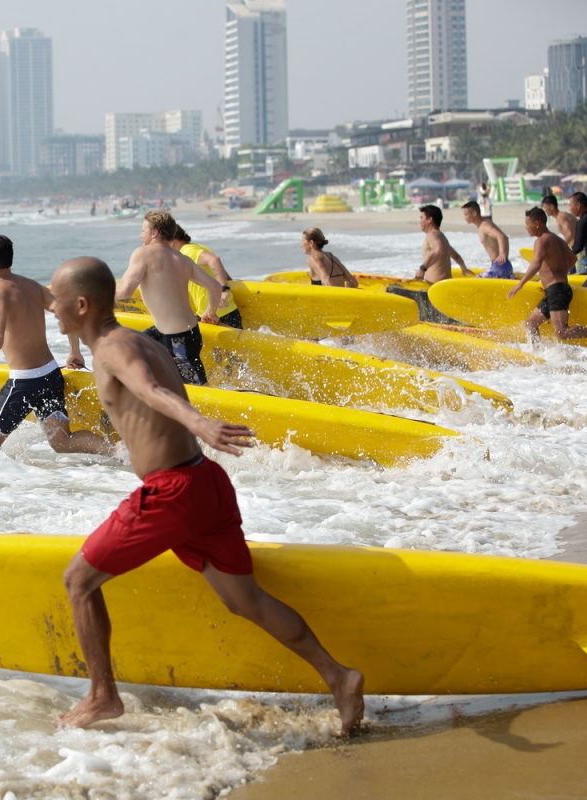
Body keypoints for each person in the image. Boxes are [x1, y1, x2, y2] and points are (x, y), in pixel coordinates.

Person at [48, 256, 366, 736]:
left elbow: (151, 390)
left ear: (81, 304)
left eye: (56, 299)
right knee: (246, 599)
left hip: (173, 491)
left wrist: (198, 423)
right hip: (205, 484)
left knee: (78, 581)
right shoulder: (137, 339)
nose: (50, 308)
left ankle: (102, 696)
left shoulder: (114, 349)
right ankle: (339, 676)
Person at [0, 234, 113, 455]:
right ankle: (118, 451)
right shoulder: (31, 286)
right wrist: (74, 351)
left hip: (24, 383)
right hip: (50, 376)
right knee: (62, 441)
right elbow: (68, 313)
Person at [115, 210, 228, 386]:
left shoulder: (143, 253)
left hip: (178, 341)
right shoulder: (182, 259)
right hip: (178, 332)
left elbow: (123, 291)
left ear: (154, 233)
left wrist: (93, 287)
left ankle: (223, 411)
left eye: (143, 230)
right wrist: (210, 312)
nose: (140, 235)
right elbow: (214, 287)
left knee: (200, 392)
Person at [508, 208, 587, 346]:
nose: (526, 227)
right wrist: (560, 272)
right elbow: (573, 258)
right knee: (531, 323)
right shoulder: (557, 239)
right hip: (555, 291)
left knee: (562, 332)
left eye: (527, 223)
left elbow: (536, 263)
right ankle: (538, 354)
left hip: (557, 291)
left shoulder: (541, 241)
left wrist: (520, 284)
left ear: (537, 224)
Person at [171, 224, 244, 329]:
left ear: (172, 242)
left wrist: (224, 290)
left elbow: (214, 260)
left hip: (217, 314)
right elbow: (222, 273)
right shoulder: (197, 247)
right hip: (217, 312)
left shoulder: (187, 252)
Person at [461, 201, 515, 279]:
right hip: (501, 266)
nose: (465, 217)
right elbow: (504, 237)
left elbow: (502, 236)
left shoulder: (484, 226)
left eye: (466, 214)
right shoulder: (485, 223)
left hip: (499, 267)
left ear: (474, 213)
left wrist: (502, 254)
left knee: (476, 283)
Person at [541, 194, 583, 272]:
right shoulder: (565, 215)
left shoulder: (560, 217)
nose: (545, 210)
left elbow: (569, 233)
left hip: (578, 250)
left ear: (552, 207)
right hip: (580, 248)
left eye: (545, 207)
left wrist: (559, 247)